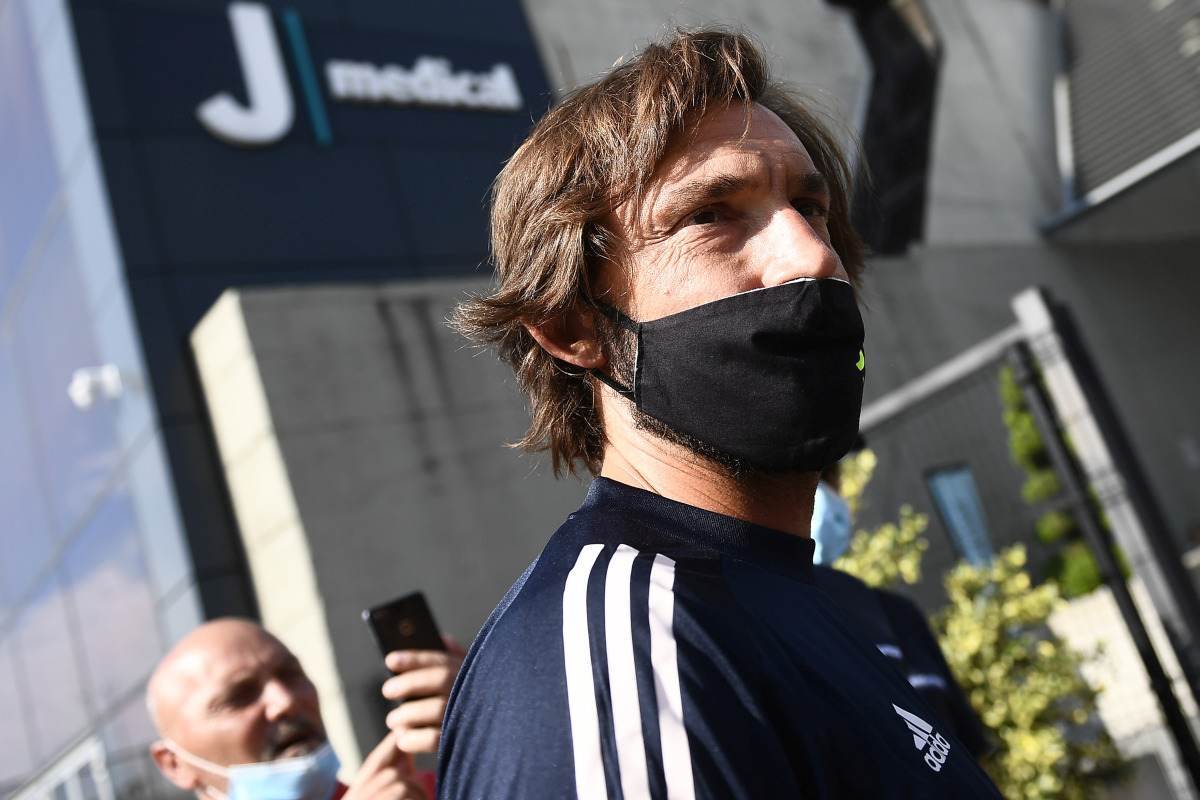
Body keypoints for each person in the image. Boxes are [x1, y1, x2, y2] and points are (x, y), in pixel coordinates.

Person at [441, 27, 1003, 798]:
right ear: (574, 327)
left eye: (811, 205)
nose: (813, 256)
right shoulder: (635, 654)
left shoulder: (800, 600)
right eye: (712, 213)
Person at [147, 618, 460, 800]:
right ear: (174, 764)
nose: (285, 701)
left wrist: (485, 719)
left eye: (290, 675)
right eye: (240, 696)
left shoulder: (439, 791)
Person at [809, 455, 991, 758]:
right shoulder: (762, 632)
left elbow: (966, 758)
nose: (825, 494)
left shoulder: (897, 613)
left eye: (830, 475)